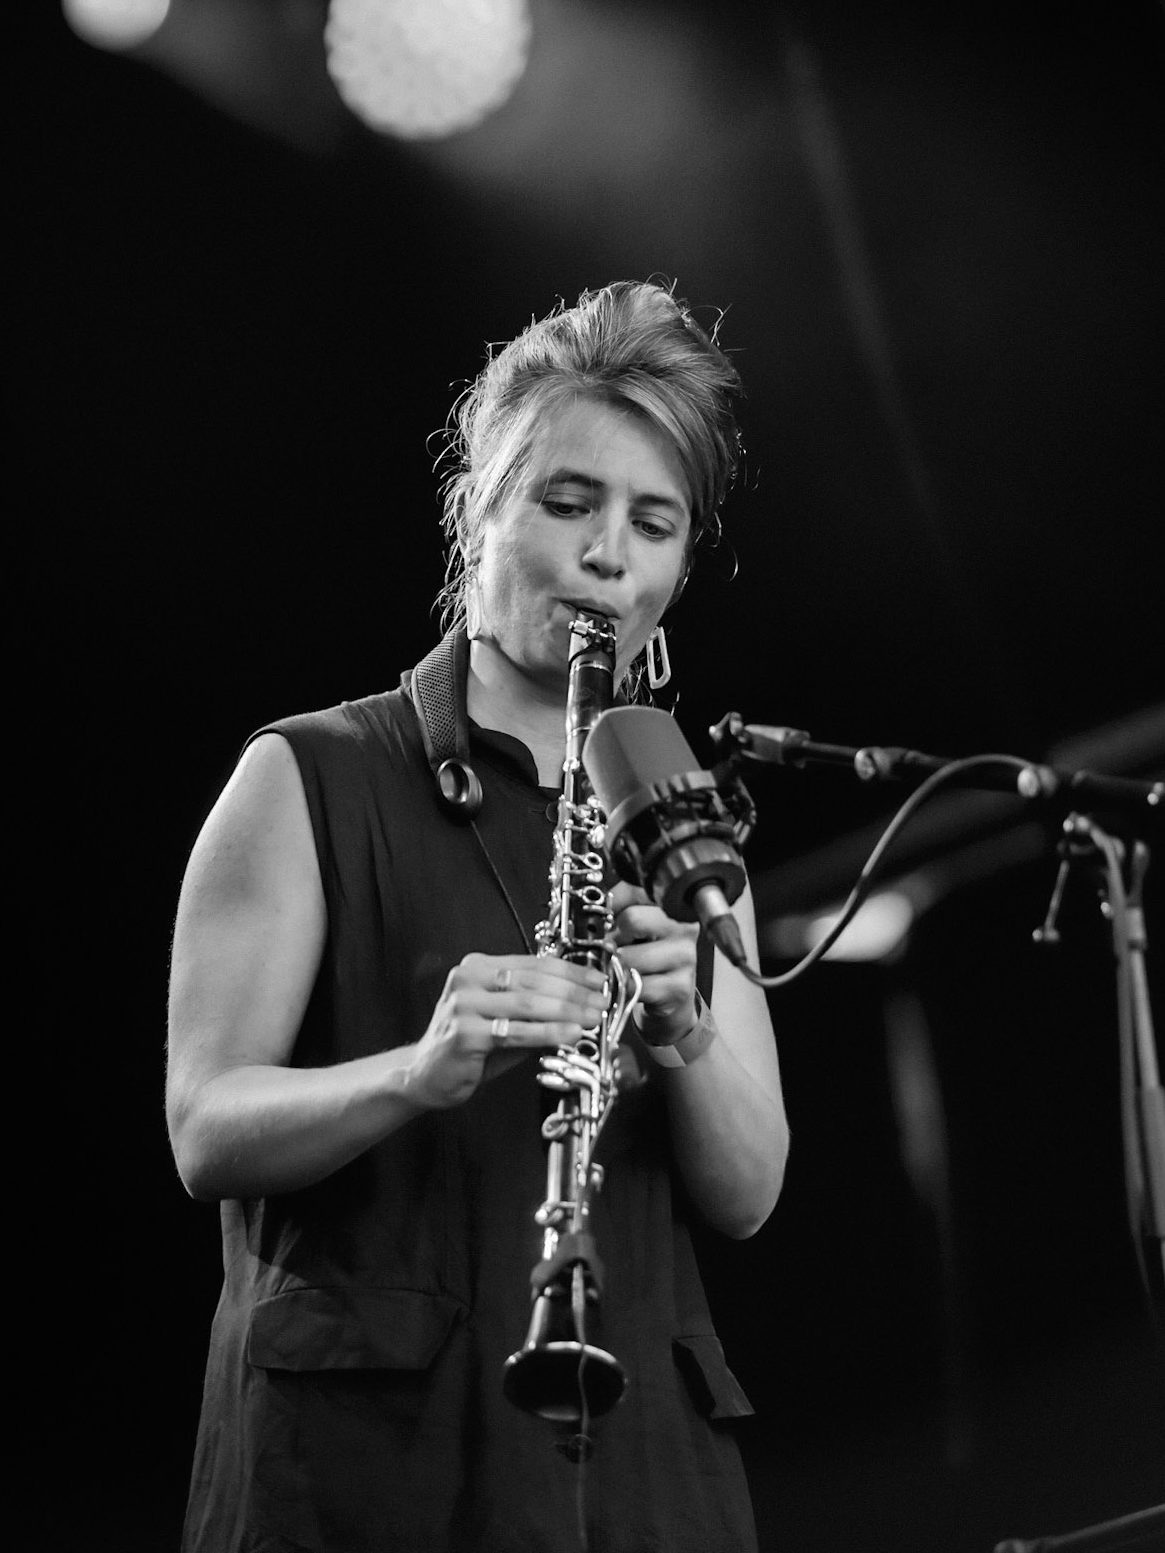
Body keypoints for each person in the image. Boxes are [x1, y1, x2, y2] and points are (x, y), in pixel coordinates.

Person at [166, 279, 789, 1553]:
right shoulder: (308, 773)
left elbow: (751, 1188)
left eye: (653, 524)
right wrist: (415, 1068)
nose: (610, 554)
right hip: (366, 1476)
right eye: (570, 503)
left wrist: (681, 1026)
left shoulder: (685, 823)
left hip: (637, 1484)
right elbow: (204, 1126)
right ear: (482, 512)